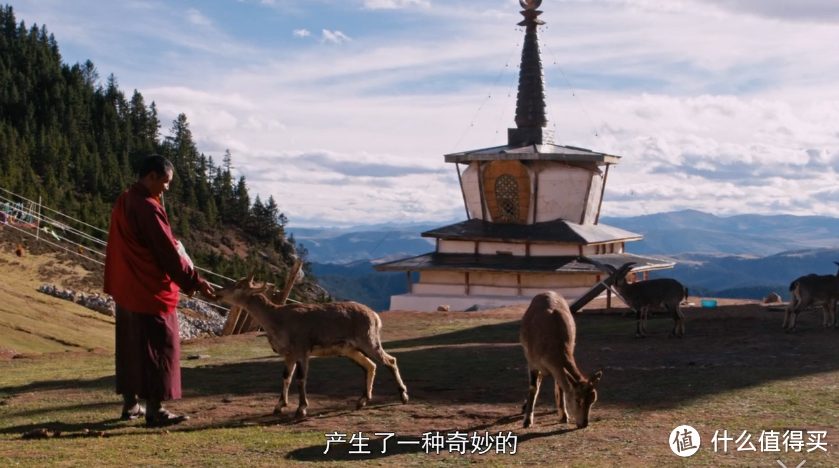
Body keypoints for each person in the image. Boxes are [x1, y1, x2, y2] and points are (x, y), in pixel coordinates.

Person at [104, 154, 215, 427]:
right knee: (158, 348)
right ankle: (155, 410)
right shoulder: (147, 208)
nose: (166, 188)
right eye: (165, 182)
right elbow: (167, 254)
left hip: (126, 288)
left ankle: (131, 405)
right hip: (148, 290)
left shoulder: (124, 200)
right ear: (151, 176)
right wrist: (195, 281)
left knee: (130, 348)